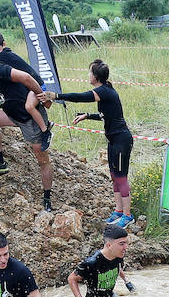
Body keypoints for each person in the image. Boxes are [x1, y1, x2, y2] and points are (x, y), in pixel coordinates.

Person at [50, 58, 136, 225]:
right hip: (114, 140)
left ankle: (128, 215)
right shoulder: (106, 90)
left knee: (121, 177)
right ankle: (118, 211)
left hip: (121, 140)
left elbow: (81, 97)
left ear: (96, 76)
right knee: (114, 176)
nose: (88, 75)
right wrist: (87, 116)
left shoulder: (104, 91)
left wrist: (57, 96)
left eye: (90, 72)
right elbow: (107, 115)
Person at [0, 30, 55, 210]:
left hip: (30, 118)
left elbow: (26, 77)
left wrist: (42, 96)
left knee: (42, 159)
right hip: (13, 115)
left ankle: (47, 199)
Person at [69, 223, 133, 297]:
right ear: (109, 245)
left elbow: (118, 266)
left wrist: (127, 281)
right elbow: (71, 278)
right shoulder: (92, 262)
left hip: (111, 296)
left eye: (126, 243)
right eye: (122, 244)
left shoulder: (118, 255)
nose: (126, 247)